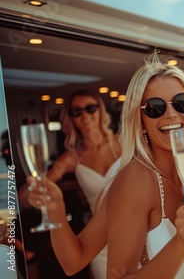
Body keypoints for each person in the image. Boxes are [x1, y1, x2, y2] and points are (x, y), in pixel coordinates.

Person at [28, 51, 184, 279]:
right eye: (155, 108)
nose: (171, 114)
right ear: (141, 121)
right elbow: (75, 263)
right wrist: (181, 243)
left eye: (181, 103)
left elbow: (75, 260)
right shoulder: (136, 179)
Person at [18, 90, 121, 278]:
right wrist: (51, 173)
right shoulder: (73, 158)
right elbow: (22, 199)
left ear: (101, 111)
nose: (85, 115)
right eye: (77, 111)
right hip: (99, 241)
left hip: (139, 229)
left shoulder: (126, 142)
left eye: (91, 108)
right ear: (70, 118)